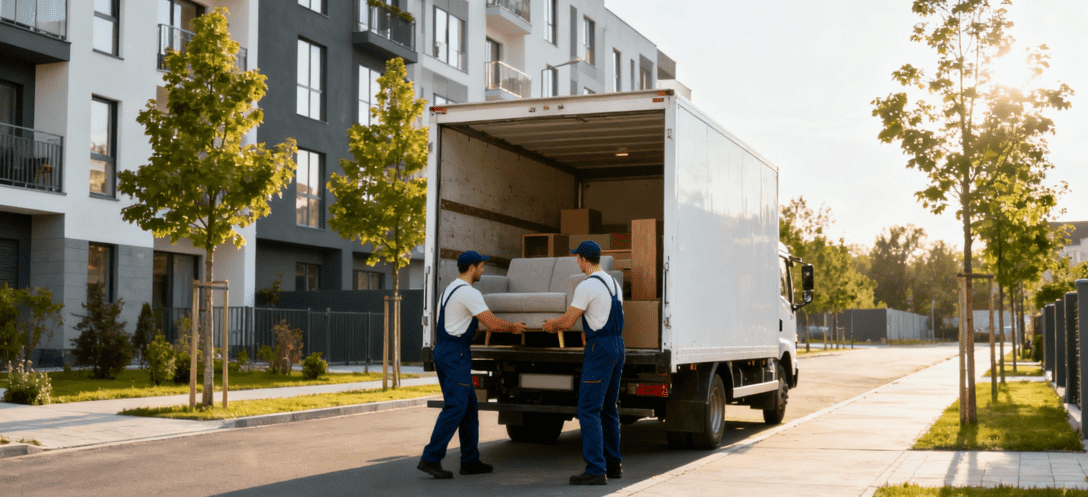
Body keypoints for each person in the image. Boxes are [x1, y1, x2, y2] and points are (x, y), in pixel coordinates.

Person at [418, 250, 527, 479]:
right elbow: (491, 323)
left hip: (446, 351)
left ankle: (470, 460)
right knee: (456, 407)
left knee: (469, 408)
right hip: (454, 353)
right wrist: (513, 327)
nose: (483, 270)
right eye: (481, 266)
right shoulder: (469, 292)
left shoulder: (448, 290)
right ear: (472, 268)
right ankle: (431, 458)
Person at [543, 241, 625, 485]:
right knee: (609, 409)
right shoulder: (613, 283)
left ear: (582, 260)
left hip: (599, 348)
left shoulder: (586, 285)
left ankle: (595, 470)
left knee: (588, 409)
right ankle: (614, 465)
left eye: (577, 258)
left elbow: (568, 321)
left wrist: (550, 325)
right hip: (618, 346)